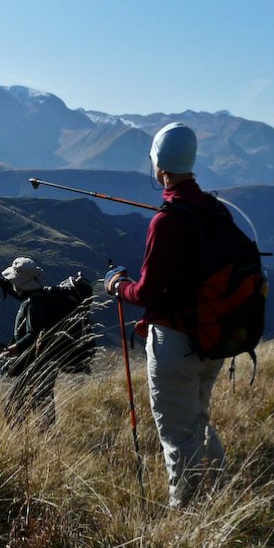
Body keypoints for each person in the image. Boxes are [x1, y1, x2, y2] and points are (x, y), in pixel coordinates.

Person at [104, 122, 229, 508]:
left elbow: (147, 292)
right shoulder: (215, 210)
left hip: (174, 341)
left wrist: (117, 286)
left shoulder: (167, 221)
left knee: (178, 435)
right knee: (198, 420)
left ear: (159, 165)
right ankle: (220, 497)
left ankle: (185, 516)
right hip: (214, 336)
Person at [0, 257, 71, 426]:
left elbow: (33, 335)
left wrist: (5, 352)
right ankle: (45, 436)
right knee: (40, 404)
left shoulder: (33, 303)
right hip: (46, 360)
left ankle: (36, 438)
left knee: (17, 406)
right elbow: (20, 294)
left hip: (39, 362)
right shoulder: (38, 296)